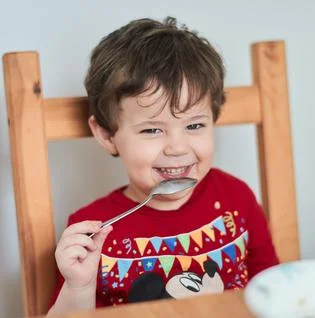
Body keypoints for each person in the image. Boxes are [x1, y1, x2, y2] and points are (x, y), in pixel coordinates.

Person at [48, 16, 279, 314]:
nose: (177, 147)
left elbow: (273, 289)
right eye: (152, 130)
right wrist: (78, 286)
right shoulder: (93, 232)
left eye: (195, 125)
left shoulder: (236, 197)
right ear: (107, 135)